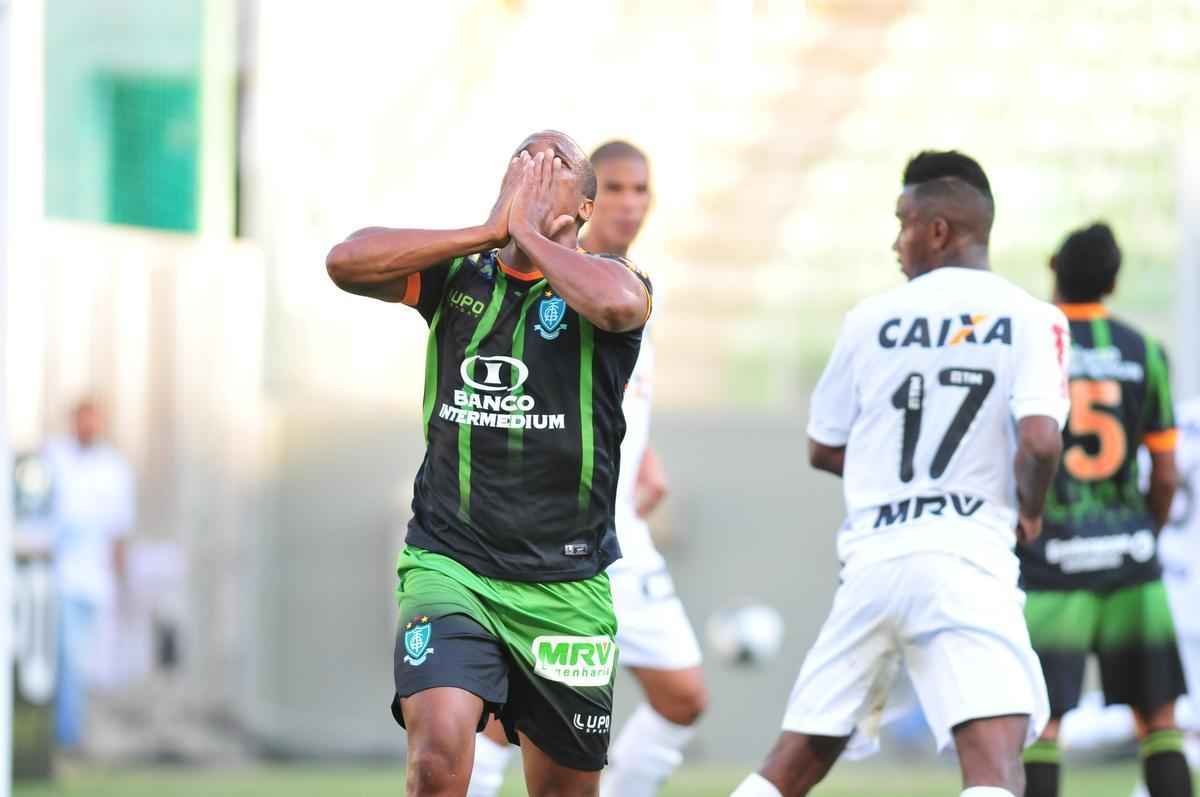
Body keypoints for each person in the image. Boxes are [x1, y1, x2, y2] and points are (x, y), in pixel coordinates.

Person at [326, 130, 653, 797]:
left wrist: (532, 237)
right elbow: (346, 261)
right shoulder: (458, 278)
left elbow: (620, 306)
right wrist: (486, 231)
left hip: (564, 587)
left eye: (556, 162)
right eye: (522, 157)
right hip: (451, 564)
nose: (534, 166)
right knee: (438, 756)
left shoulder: (616, 283)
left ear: (585, 207)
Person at [732, 150, 1070, 797]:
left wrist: (888, 477)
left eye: (903, 222)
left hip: (874, 562)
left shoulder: (869, 320)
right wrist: (1030, 504)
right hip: (966, 561)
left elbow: (824, 446)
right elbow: (1040, 438)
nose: (897, 241)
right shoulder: (1033, 317)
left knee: (792, 763)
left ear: (939, 230)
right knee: (993, 765)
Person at [466, 141, 707, 797]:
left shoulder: (630, 286)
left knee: (683, 695)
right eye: (619, 189)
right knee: (507, 714)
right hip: (561, 536)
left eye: (642, 190)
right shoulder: (559, 284)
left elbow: (613, 394)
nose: (631, 204)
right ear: (589, 203)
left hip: (623, 531)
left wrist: (640, 456)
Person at [1018, 223, 1193, 797]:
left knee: (1042, 724)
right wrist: (1144, 530)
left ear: (1052, 265)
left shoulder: (1033, 347)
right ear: (1114, 280)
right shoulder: (1145, 351)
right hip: (1129, 560)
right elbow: (1165, 471)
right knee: (1159, 722)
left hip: (1052, 563)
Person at [42, 398, 135, 750]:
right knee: (66, 655)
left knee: (83, 662)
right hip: (59, 574)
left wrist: (120, 580)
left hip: (94, 579)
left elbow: (119, 529)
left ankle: (71, 730)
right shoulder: (54, 458)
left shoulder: (114, 468)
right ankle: (67, 736)